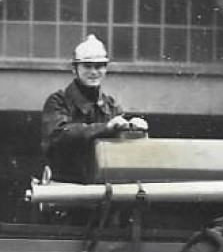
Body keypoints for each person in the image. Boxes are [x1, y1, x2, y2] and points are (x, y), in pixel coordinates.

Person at [40, 34, 147, 184]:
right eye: (87, 66)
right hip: (65, 189)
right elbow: (59, 136)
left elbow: (124, 153)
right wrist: (106, 127)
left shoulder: (111, 105)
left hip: (103, 190)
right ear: (74, 69)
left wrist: (133, 129)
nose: (94, 72)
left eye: (99, 66)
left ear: (105, 69)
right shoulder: (58, 101)